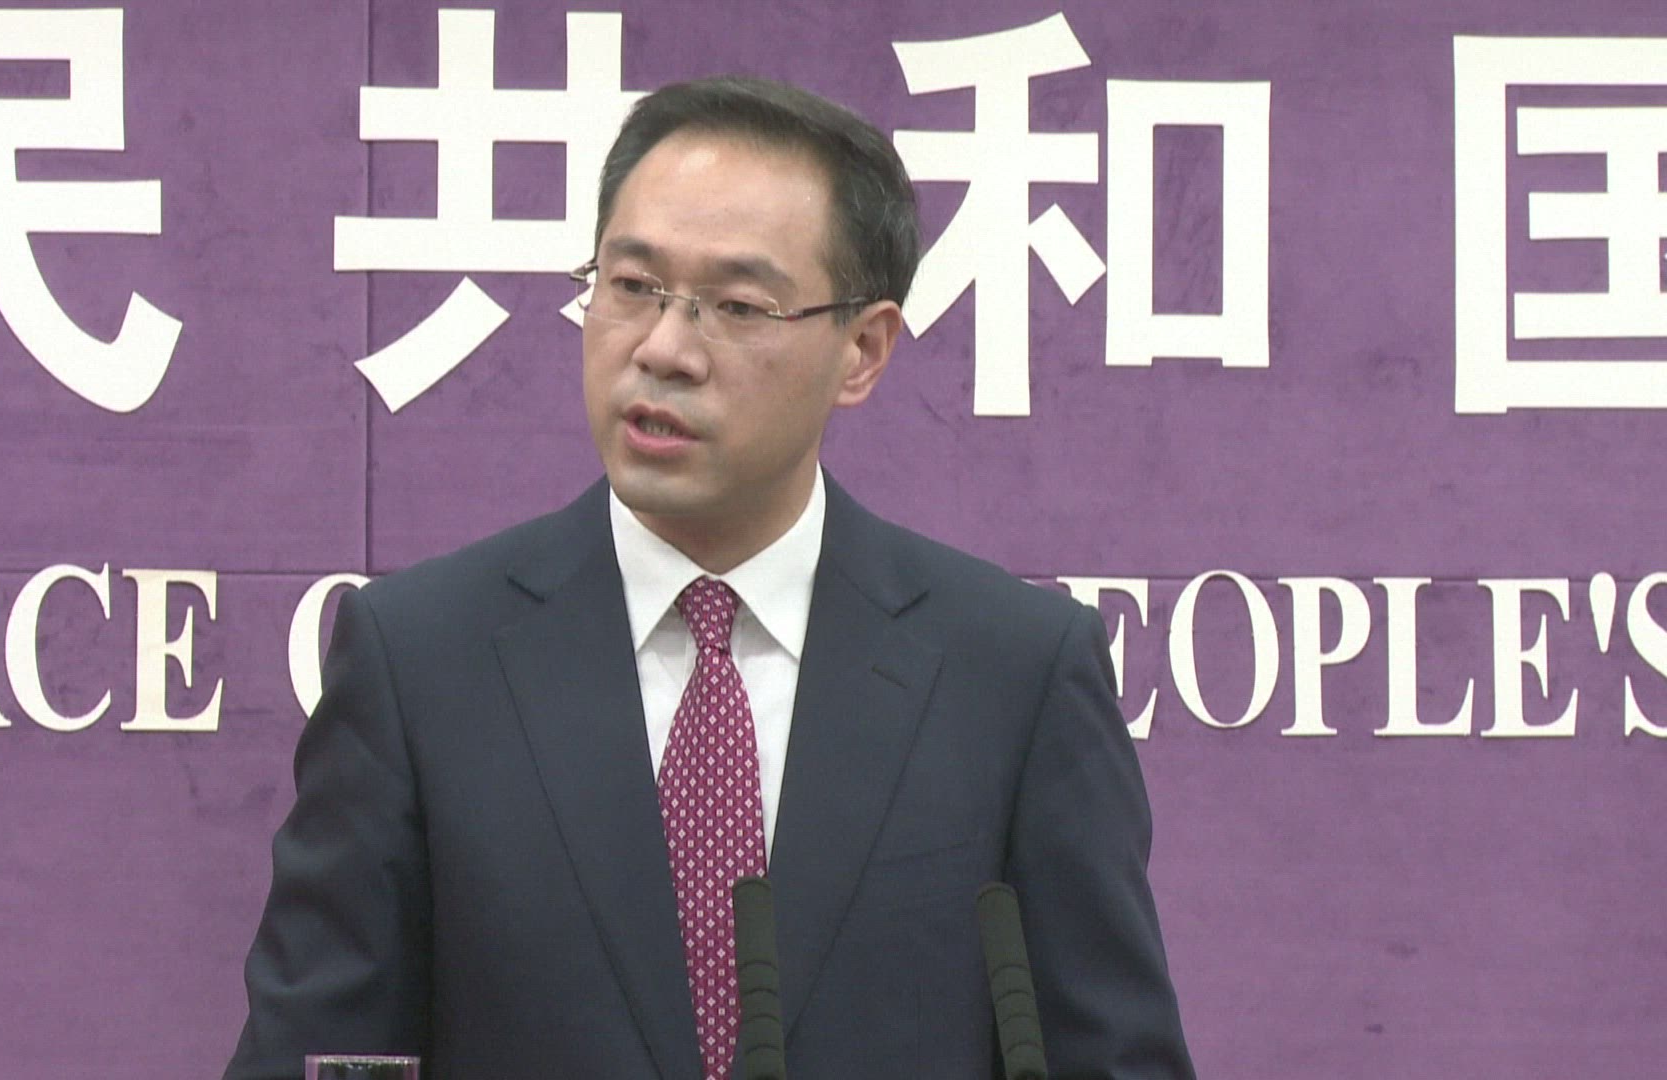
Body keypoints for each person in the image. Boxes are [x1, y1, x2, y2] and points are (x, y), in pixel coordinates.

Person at [225, 76, 1195, 1080]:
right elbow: (319, 1053)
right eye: (631, 286)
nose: (663, 349)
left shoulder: (1012, 676)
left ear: (862, 350)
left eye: (736, 305)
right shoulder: (423, 661)